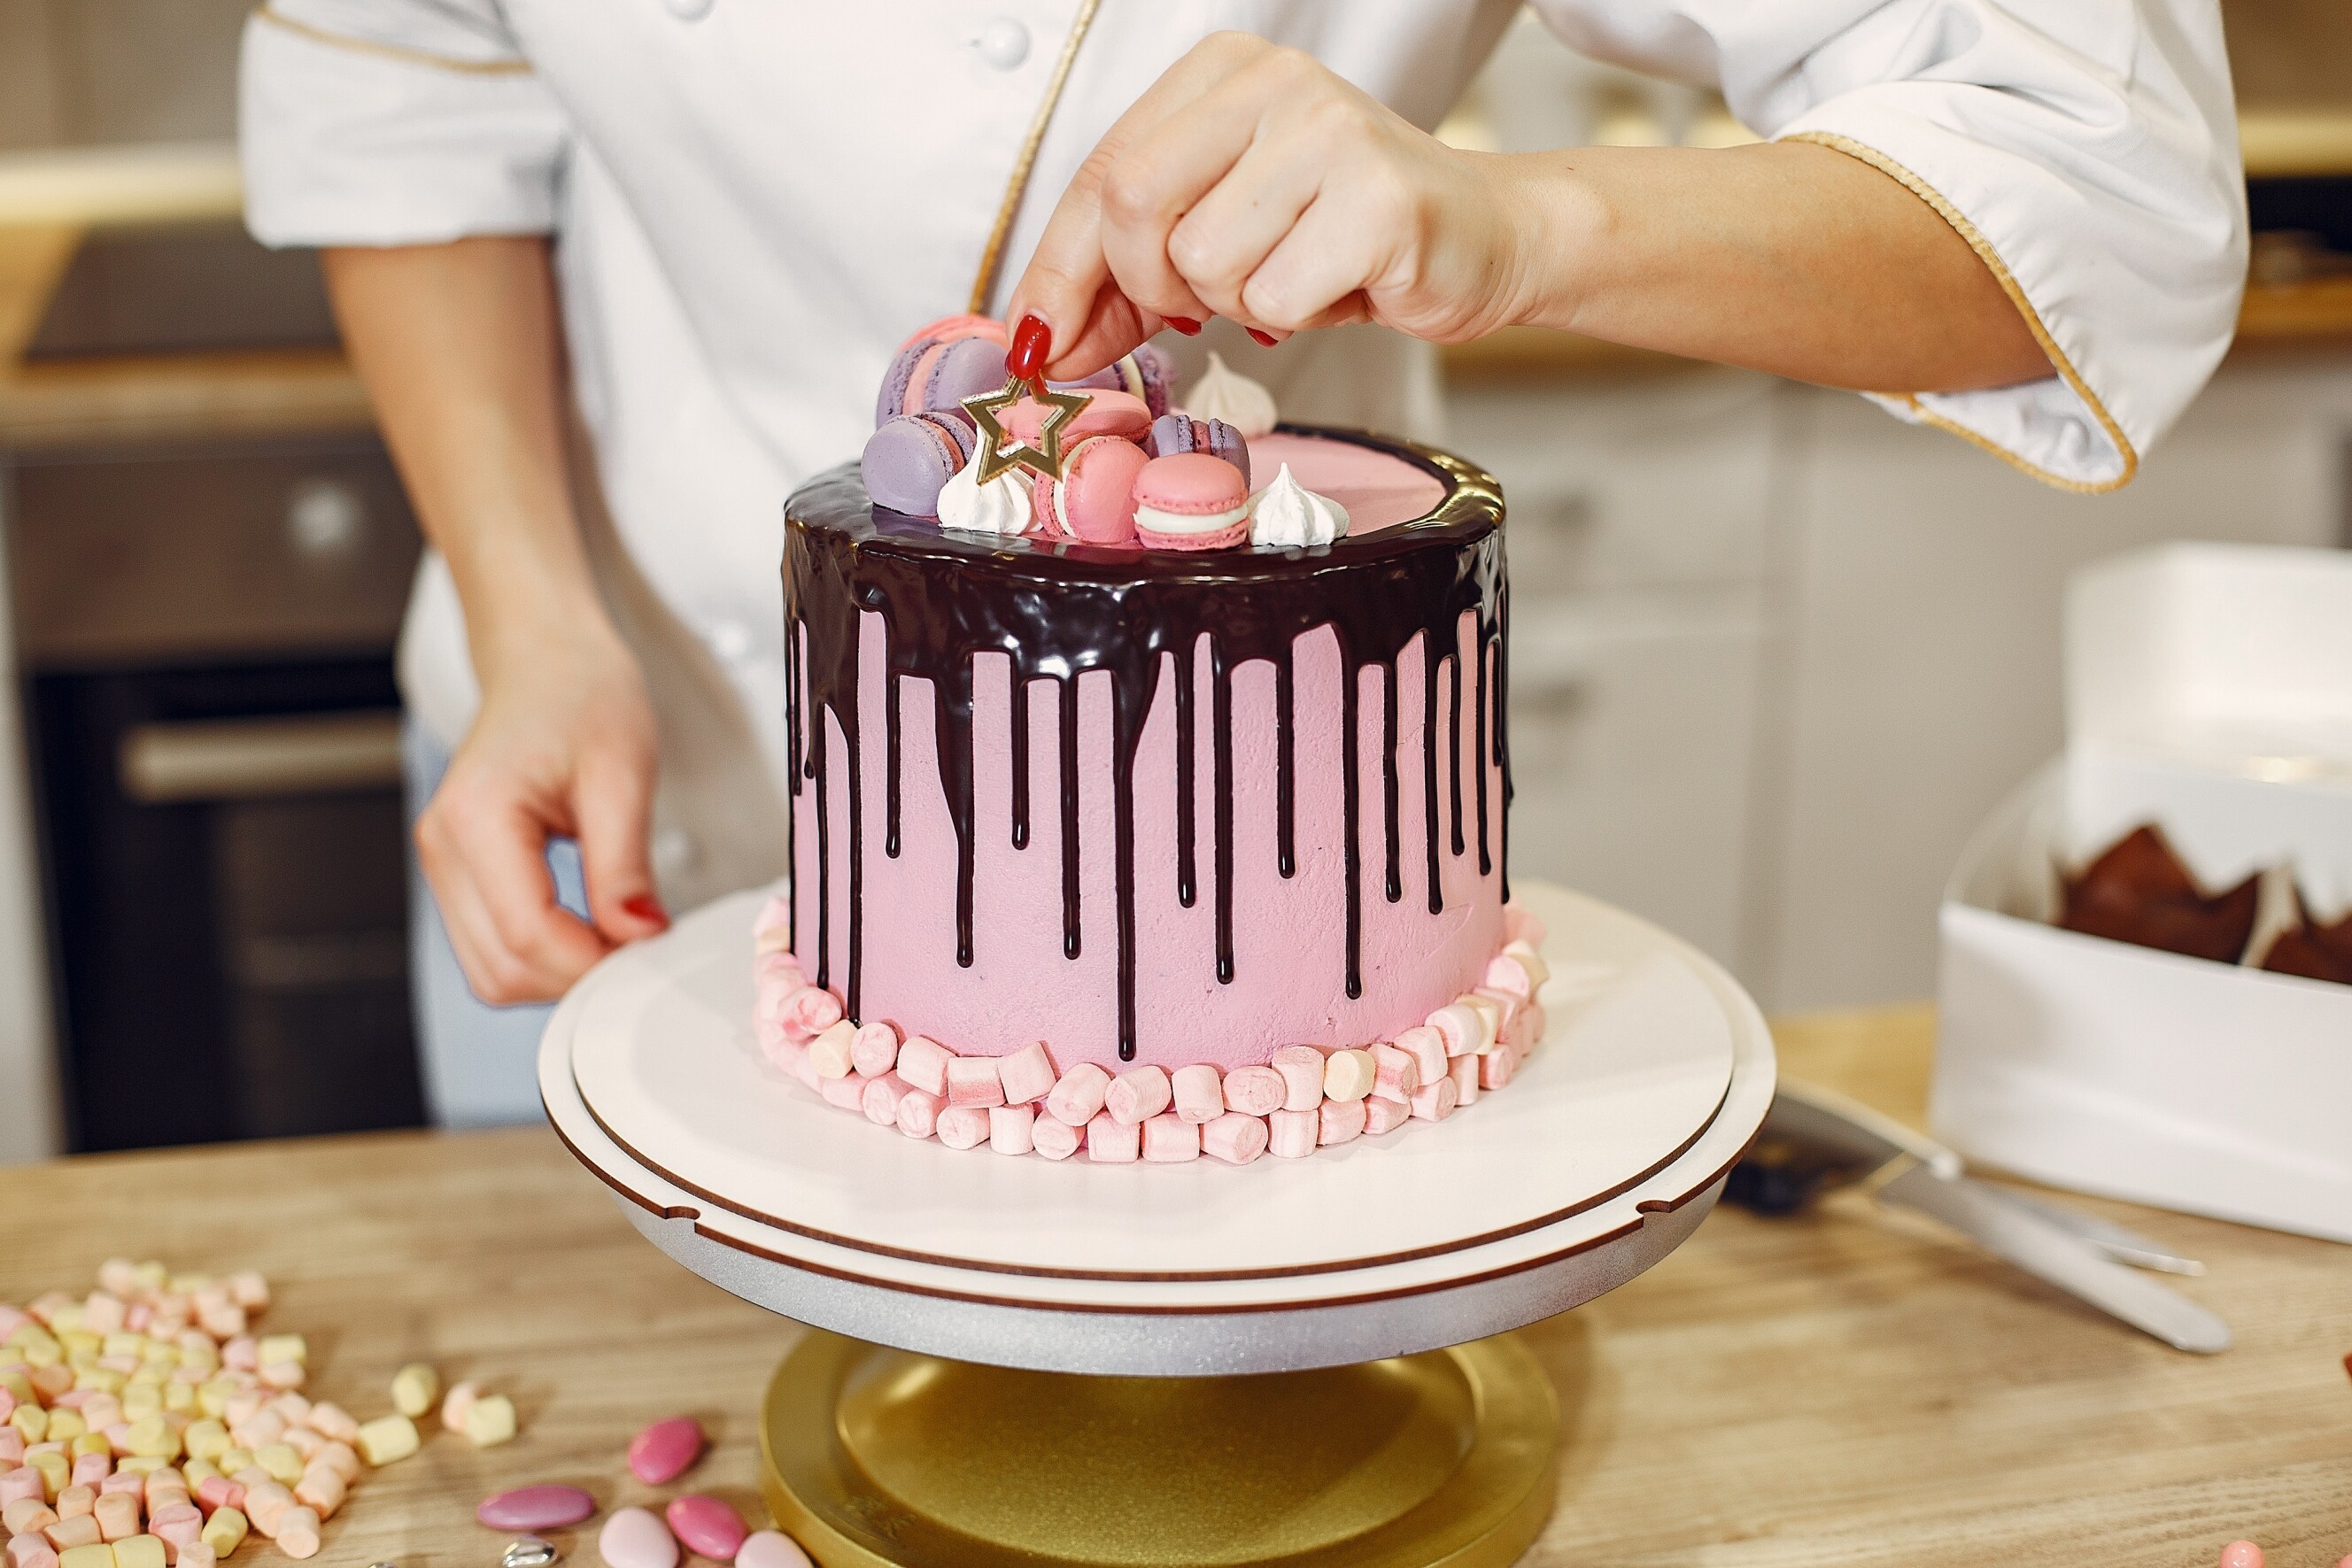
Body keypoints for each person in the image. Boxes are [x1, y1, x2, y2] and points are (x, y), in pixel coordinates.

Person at [240, 0, 2243, 1126]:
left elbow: (2095, 179)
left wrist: (1517, 222)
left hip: (1231, 893)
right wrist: (528, 616)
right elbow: (402, 86)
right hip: (609, 765)